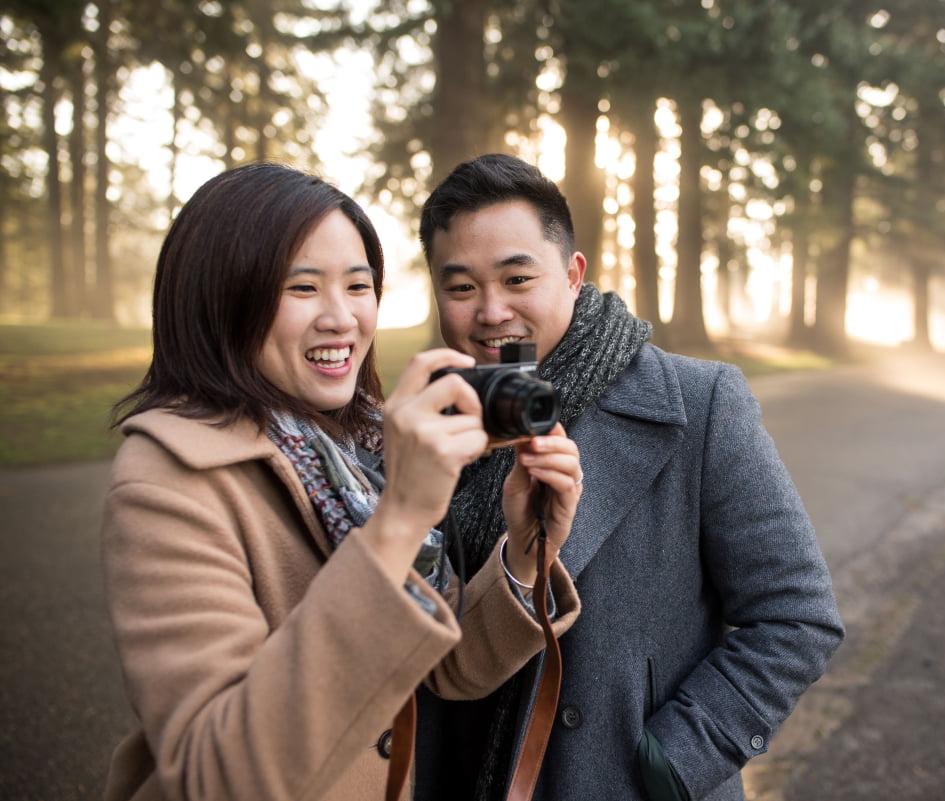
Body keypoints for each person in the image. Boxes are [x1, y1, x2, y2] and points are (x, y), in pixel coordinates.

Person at [100, 162, 584, 801]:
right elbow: (216, 776)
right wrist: (401, 519)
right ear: (223, 298)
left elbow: (441, 669)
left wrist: (524, 554)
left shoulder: (353, 451)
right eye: (302, 289)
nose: (342, 318)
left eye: (359, 287)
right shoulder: (168, 484)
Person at [412, 153, 845, 801]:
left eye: (517, 277)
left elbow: (795, 615)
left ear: (573, 275)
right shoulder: (425, 424)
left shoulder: (698, 402)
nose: (491, 310)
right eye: (462, 287)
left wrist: (671, 761)